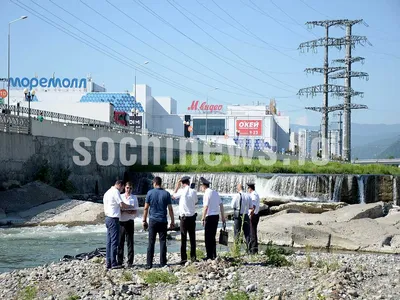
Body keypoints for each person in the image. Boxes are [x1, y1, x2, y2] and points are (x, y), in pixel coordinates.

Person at [142, 176, 175, 269]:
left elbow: (146, 208)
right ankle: (163, 263)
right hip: (163, 221)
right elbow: (170, 209)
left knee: (151, 242)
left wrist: (144, 220)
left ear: (154, 183)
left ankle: (149, 264)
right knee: (163, 241)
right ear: (160, 183)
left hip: (153, 220)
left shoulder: (150, 193)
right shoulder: (166, 194)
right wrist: (172, 221)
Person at [103, 180, 135, 270]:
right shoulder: (115, 192)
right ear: (120, 186)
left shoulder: (107, 192)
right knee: (114, 242)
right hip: (113, 219)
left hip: (107, 218)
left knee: (108, 242)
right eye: (122, 188)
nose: (122, 190)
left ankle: (108, 262)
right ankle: (114, 263)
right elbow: (121, 205)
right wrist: (131, 207)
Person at [172, 176, 198, 264]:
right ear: (189, 182)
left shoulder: (181, 191)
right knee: (192, 238)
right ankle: (193, 257)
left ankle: (184, 258)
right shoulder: (193, 191)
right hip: (192, 217)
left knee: (183, 238)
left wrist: (177, 185)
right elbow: (196, 202)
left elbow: (173, 196)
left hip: (183, 218)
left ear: (182, 183)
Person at [200, 177, 225, 260]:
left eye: (201, 186)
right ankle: (214, 254)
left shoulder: (207, 193)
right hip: (216, 216)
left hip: (209, 217)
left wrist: (202, 218)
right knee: (213, 236)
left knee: (207, 237)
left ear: (204, 186)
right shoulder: (215, 192)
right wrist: (223, 217)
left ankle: (209, 256)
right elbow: (221, 205)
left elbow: (205, 207)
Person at [117, 182, 139, 267]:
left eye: (130, 188)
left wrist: (126, 210)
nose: (128, 190)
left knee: (130, 241)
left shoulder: (134, 197)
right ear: (124, 188)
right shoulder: (120, 196)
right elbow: (119, 209)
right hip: (121, 221)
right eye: (127, 188)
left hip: (130, 221)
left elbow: (135, 210)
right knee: (120, 241)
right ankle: (120, 261)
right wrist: (128, 210)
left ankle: (130, 261)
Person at [230, 184, 251, 250]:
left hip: (238, 216)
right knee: (247, 233)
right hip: (246, 215)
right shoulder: (248, 195)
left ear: (238, 188)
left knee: (237, 233)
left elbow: (232, 205)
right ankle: (249, 250)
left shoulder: (236, 195)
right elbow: (251, 206)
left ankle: (236, 249)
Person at [247, 183, 260, 255]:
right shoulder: (255, 194)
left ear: (250, 188)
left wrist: (251, 214)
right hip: (255, 214)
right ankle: (254, 249)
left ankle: (253, 250)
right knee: (253, 232)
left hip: (253, 215)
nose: (248, 190)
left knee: (252, 233)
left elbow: (253, 205)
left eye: (248, 188)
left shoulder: (253, 195)